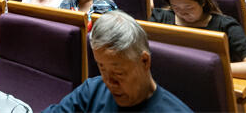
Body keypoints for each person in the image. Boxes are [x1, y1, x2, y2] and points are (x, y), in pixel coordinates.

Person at [43, 11, 192, 112]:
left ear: (144, 61)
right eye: (102, 68)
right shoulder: (92, 91)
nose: (109, 82)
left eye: (118, 73)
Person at [150, 0, 246, 82]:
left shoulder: (225, 25)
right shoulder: (159, 18)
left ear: (202, 2)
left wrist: (202, 68)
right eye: (176, 8)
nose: (183, 13)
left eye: (189, 7)